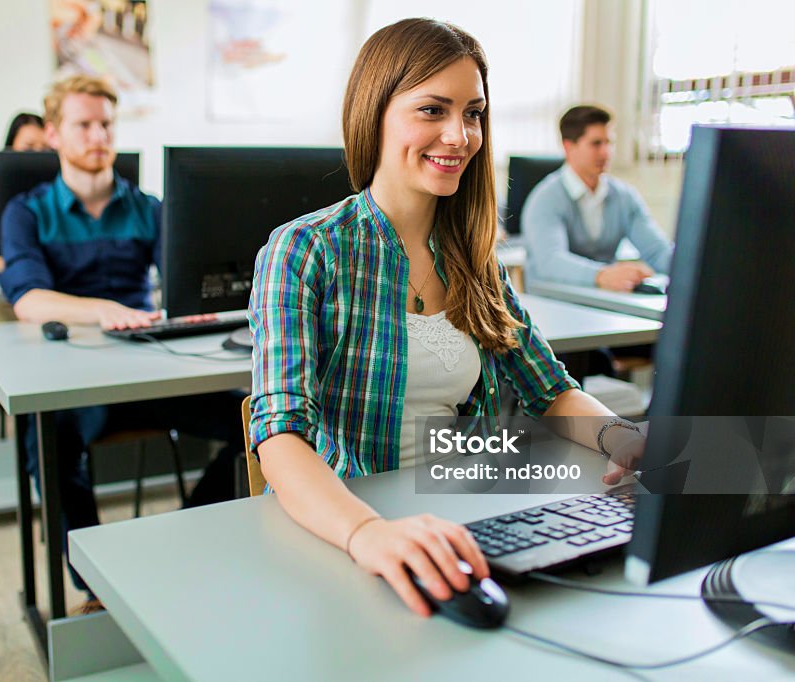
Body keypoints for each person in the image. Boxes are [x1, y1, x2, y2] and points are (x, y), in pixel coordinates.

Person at [248, 18, 645, 618]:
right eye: (432, 110)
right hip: (352, 525)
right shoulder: (305, 250)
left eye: (474, 113)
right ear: (374, 112)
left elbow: (551, 391)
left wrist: (624, 437)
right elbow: (280, 436)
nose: (459, 135)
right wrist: (368, 533)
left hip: (471, 508)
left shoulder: (472, 256)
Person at [0, 75, 244, 610]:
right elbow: (27, 299)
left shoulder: (148, 206)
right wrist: (104, 312)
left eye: (106, 124)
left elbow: (182, 283)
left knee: (253, 423)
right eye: (83, 125)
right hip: (72, 370)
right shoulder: (25, 211)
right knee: (47, 440)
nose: (98, 136)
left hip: (148, 363)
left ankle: (176, 547)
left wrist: (195, 302)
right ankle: (99, 589)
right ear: (55, 135)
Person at [522, 105, 674, 292]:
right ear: (569, 147)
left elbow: (657, 251)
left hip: (603, 300)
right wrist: (602, 275)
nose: (606, 152)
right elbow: (550, 261)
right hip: (554, 300)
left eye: (609, 143)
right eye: (596, 144)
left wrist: (690, 268)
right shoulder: (545, 199)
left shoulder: (624, 197)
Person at [0, 112, 49, 269]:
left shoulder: (55, 193)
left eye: (45, 149)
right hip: (5, 272)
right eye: (29, 148)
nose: (38, 156)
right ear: (10, 148)